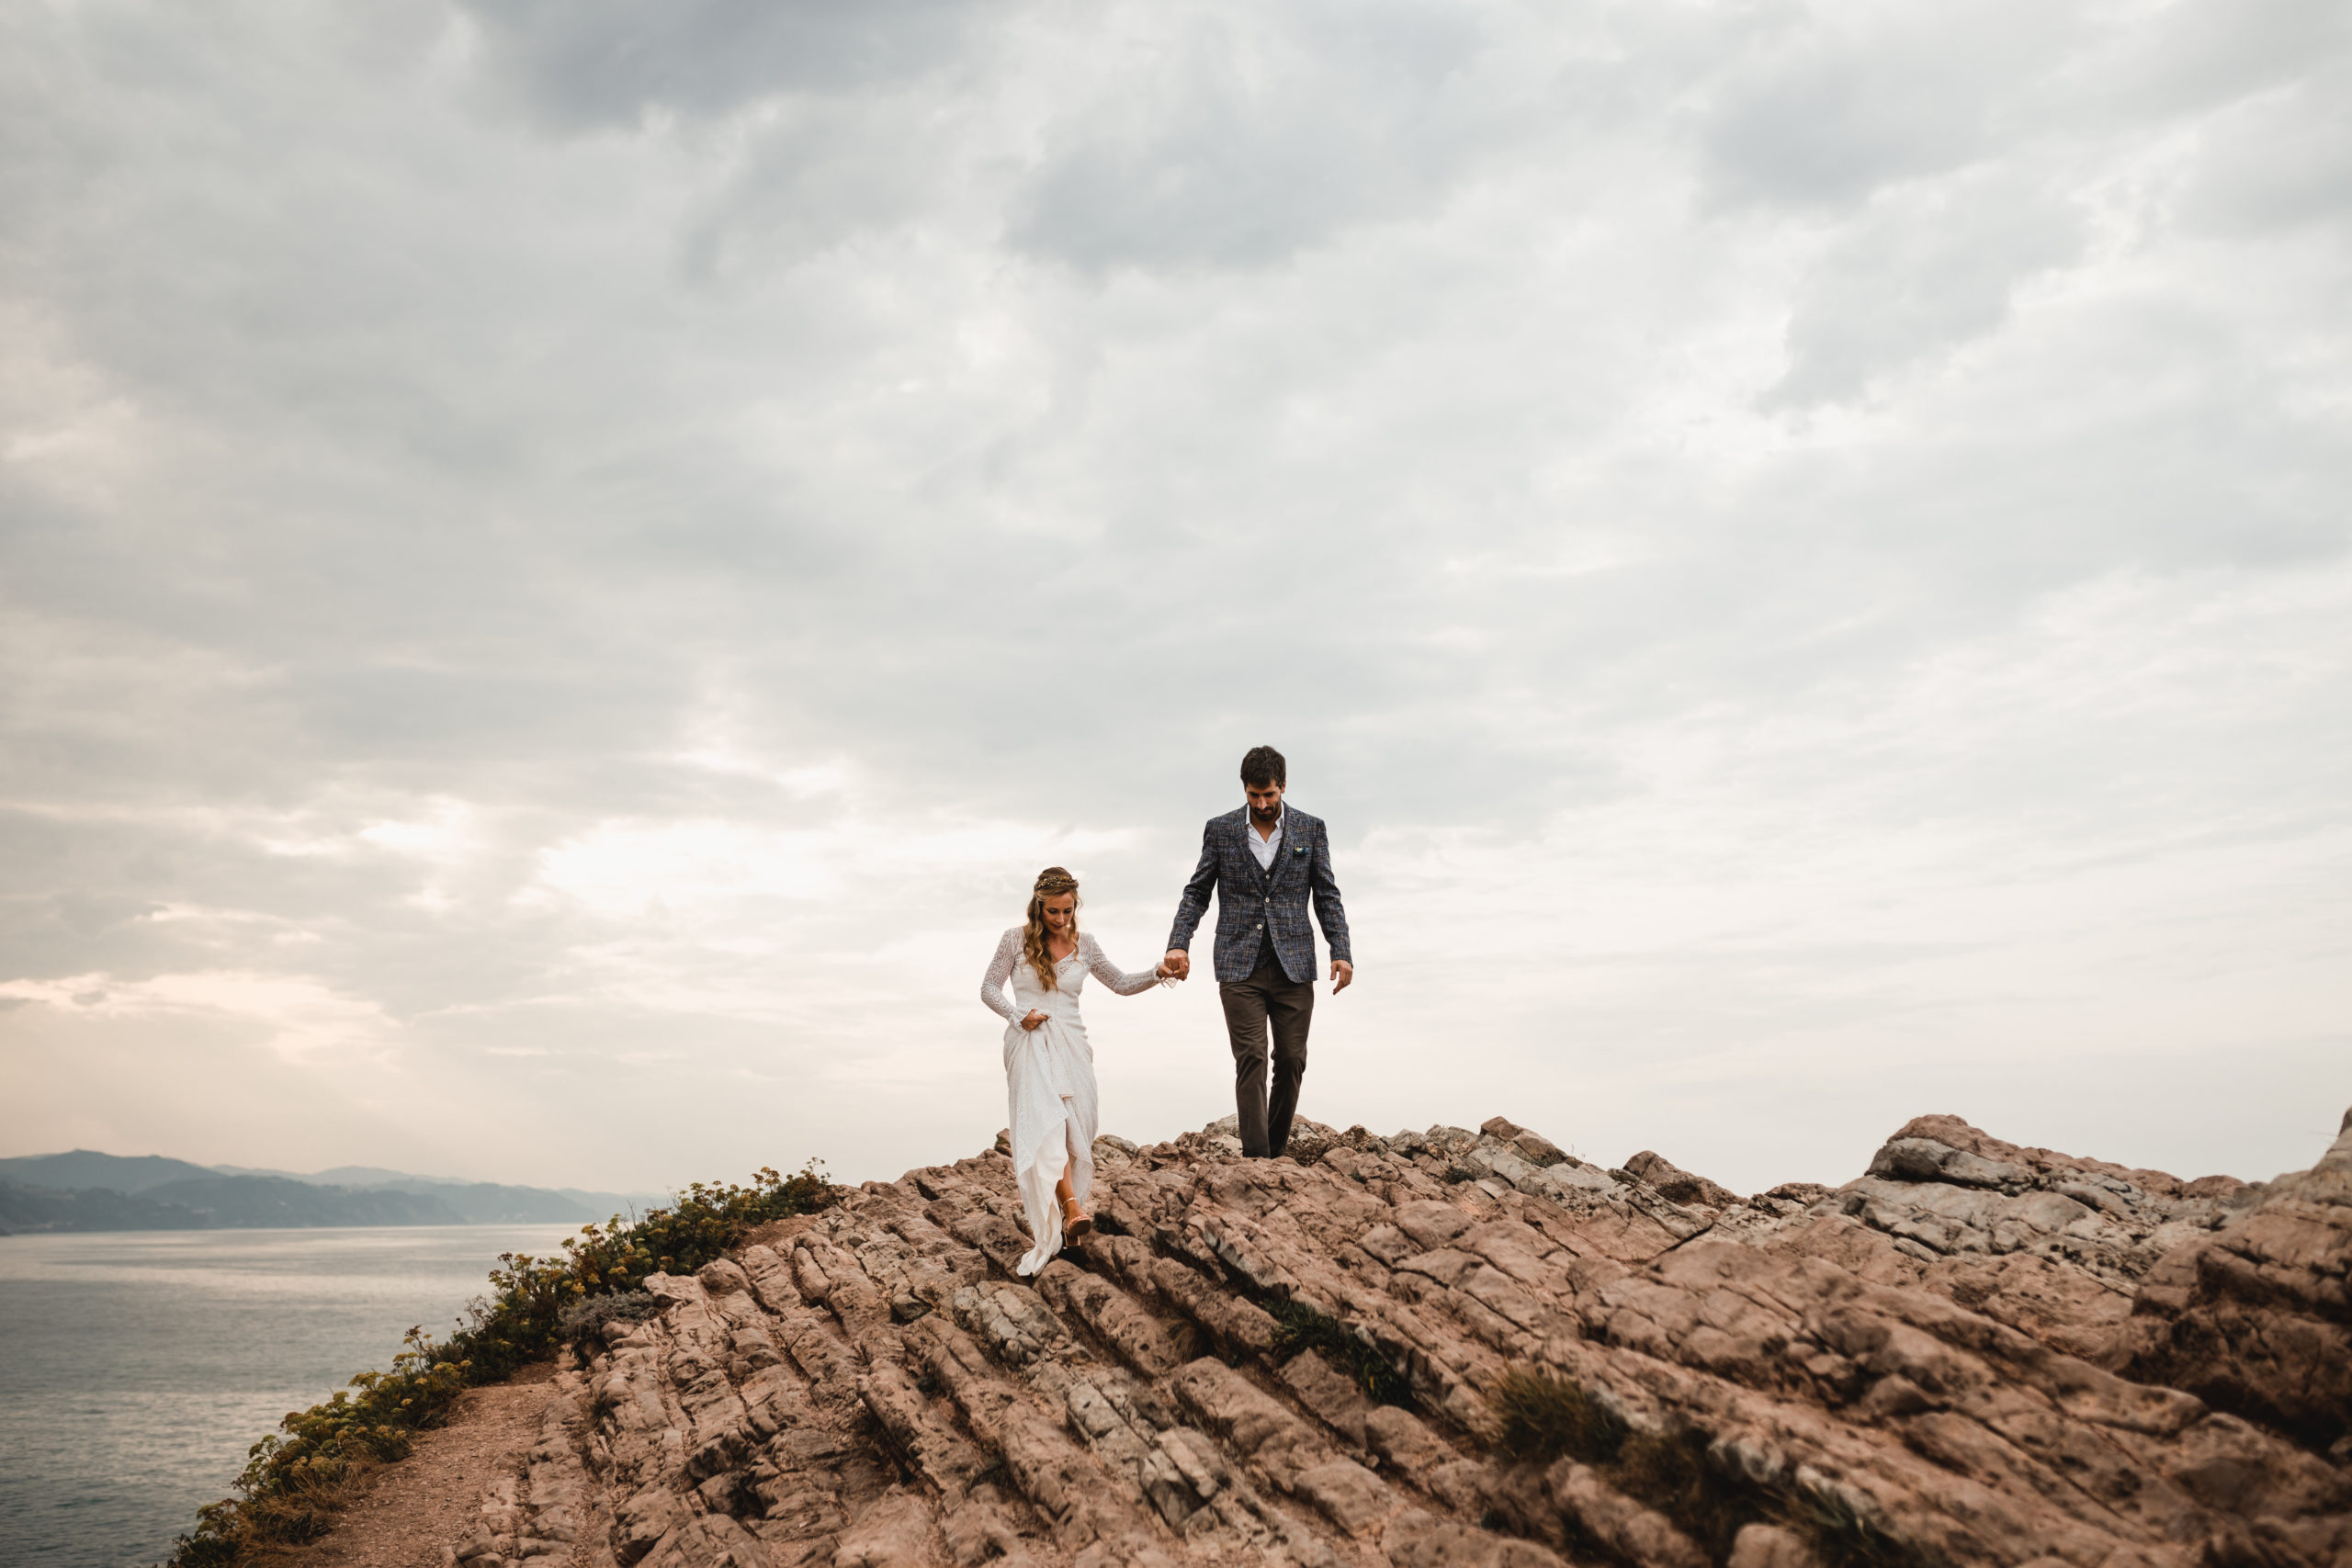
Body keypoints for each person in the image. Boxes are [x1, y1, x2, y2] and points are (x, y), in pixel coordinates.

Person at [980, 865, 1174, 1275]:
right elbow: (988, 989)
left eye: (1068, 911)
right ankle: (1071, 1208)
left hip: (1073, 1044)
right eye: (1053, 911)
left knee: (1075, 1128)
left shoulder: (1086, 945)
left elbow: (1120, 983)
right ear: (1038, 906)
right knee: (1049, 1125)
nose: (1061, 919)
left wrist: (1159, 973)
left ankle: (1069, 1222)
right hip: (1030, 1041)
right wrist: (1018, 1016)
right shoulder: (1014, 940)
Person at [1162, 745, 1352, 1159]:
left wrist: (1341, 949)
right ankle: (1257, 1160)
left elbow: (1327, 895)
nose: (1262, 804)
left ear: (1283, 786)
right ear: (1244, 790)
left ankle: (1275, 1150)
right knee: (1250, 1057)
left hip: (1294, 966)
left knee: (1291, 1060)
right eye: (1254, 795)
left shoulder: (1310, 829)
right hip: (1238, 963)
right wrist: (1179, 942)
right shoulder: (1221, 830)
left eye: (1269, 794)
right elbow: (1197, 892)